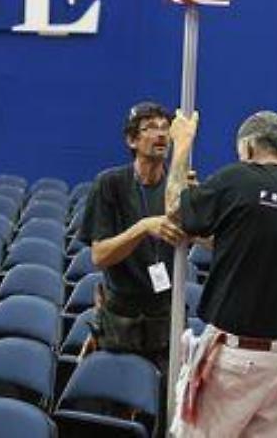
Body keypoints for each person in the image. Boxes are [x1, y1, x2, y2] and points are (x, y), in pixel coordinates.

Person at [164, 110, 277, 438]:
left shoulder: (239, 177)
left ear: (250, 146)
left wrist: (182, 146)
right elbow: (246, 242)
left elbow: (174, 211)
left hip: (238, 359)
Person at [78, 101, 186, 373]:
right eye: (150, 128)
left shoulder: (179, 187)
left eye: (165, 128)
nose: (161, 134)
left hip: (165, 317)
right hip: (120, 320)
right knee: (117, 401)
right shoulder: (110, 184)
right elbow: (100, 256)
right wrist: (143, 227)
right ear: (132, 140)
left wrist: (194, 207)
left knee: (163, 404)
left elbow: (209, 241)